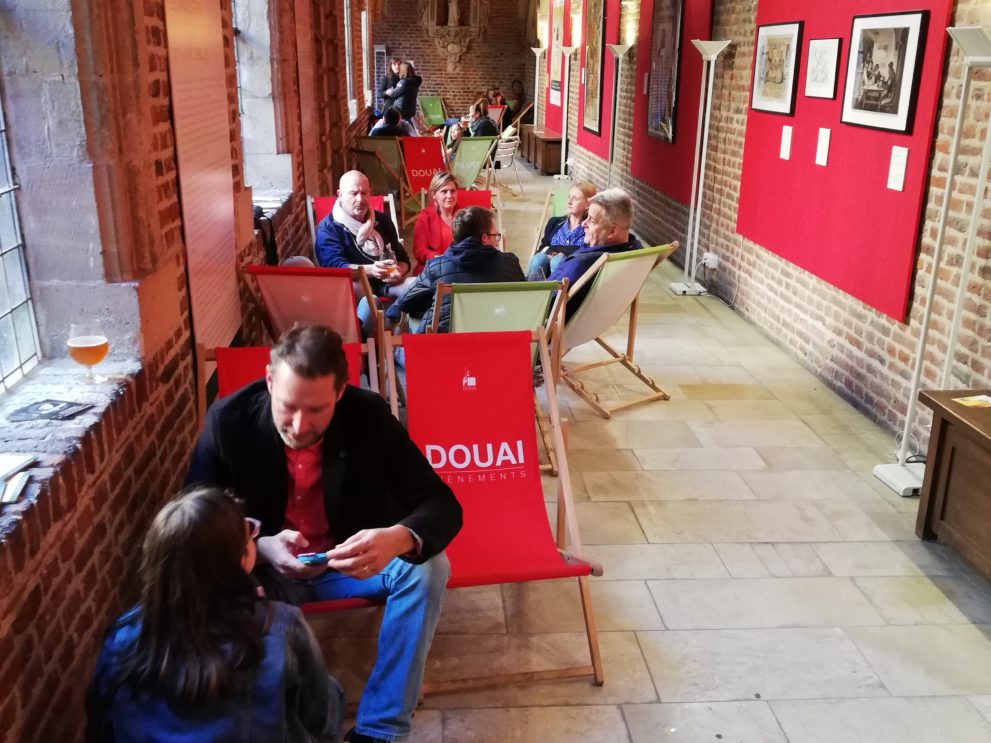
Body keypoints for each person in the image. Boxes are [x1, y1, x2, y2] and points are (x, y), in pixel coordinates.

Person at [186, 324, 463, 743]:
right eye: (288, 406)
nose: (298, 425)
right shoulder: (229, 421)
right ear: (268, 382)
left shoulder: (368, 416)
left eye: (316, 410)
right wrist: (257, 548)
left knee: (428, 569)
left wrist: (399, 537)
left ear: (340, 393)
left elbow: (442, 505)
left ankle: (381, 729)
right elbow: (194, 522)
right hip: (266, 574)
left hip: (346, 563)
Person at [86, 487, 343, 742]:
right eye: (250, 532)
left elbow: (101, 725)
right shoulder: (281, 627)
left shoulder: (121, 635)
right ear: (241, 559)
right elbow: (324, 721)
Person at [396, 205, 524, 332]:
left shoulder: (437, 267)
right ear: (484, 238)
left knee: (412, 316)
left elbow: (405, 302)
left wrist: (432, 301)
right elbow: (524, 302)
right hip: (498, 341)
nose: (497, 242)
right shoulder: (510, 264)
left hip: (446, 347)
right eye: (495, 236)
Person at [314, 170, 414, 332]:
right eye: (353, 194)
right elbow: (334, 268)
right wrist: (372, 270)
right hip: (354, 291)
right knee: (368, 301)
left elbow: (404, 260)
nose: (360, 199)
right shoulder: (329, 228)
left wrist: (398, 272)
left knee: (420, 285)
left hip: (387, 285)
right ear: (339, 194)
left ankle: (399, 327)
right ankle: (371, 346)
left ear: (370, 193)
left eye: (364, 193)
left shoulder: (382, 220)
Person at [548, 187, 641, 316]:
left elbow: (544, 303)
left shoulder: (581, 263)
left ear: (612, 231)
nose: (583, 224)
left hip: (552, 324)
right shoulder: (637, 252)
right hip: (599, 320)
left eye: (591, 220)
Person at [527, 181, 596, 280]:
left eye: (575, 198)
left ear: (587, 204)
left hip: (572, 278)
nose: (569, 202)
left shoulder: (589, 228)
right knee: (539, 259)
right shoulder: (554, 222)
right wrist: (552, 253)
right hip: (544, 275)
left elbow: (585, 253)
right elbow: (543, 248)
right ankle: (531, 290)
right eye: (569, 197)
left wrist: (559, 253)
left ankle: (555, 295)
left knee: (558, 261)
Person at [411, 171, 460, 274]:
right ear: (434, 194)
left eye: (453, 191)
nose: (449, 195)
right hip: (432, 269)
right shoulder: (425, 217)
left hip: (458, 269)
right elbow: (419, 250)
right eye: (444, 191)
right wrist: (437, 258)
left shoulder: (465, 216)